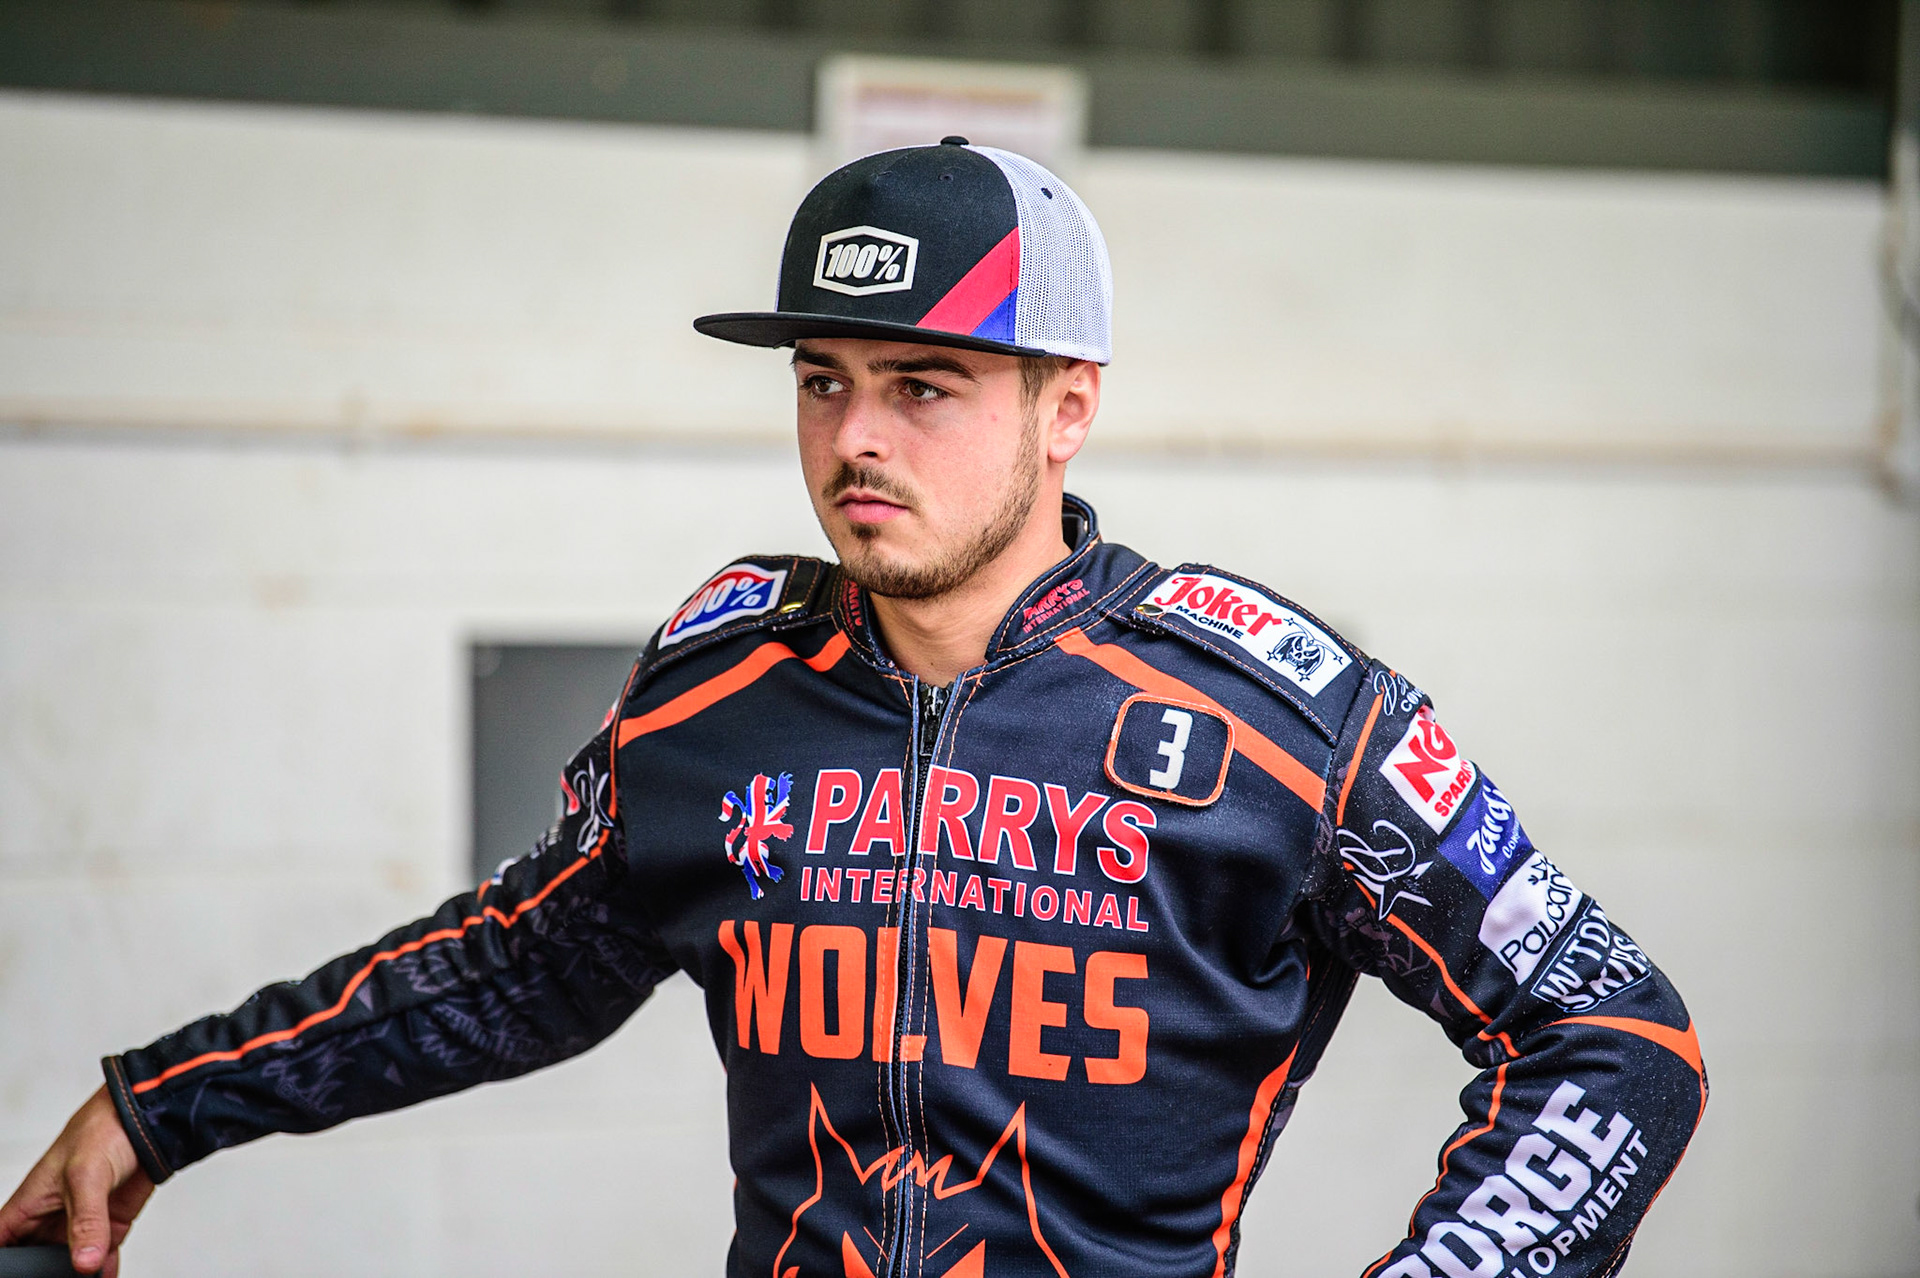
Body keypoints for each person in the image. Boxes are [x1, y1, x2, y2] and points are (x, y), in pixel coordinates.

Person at [0, 138, 1703, 1278]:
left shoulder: (1277, 716)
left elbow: (1619, 1039)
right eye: (822, 380)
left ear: (1067, 411)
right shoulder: (717, 686)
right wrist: (166, 1101)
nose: (853, 439)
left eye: (923, 385)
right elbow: (517, 964)